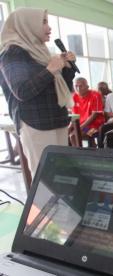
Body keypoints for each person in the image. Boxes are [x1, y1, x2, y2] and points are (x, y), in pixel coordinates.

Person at [0, 8, 76, 177]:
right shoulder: (12, 53)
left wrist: (67, 69)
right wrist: (50, 70)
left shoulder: (42, 52)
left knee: (63, 175)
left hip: (57, 118)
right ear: (27, 25)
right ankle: (45, 205)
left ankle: (61, 204)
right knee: (45, 178)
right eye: (43, 22)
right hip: (36, 122)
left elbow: (63, 88)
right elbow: (22, 91)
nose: (49, 28)